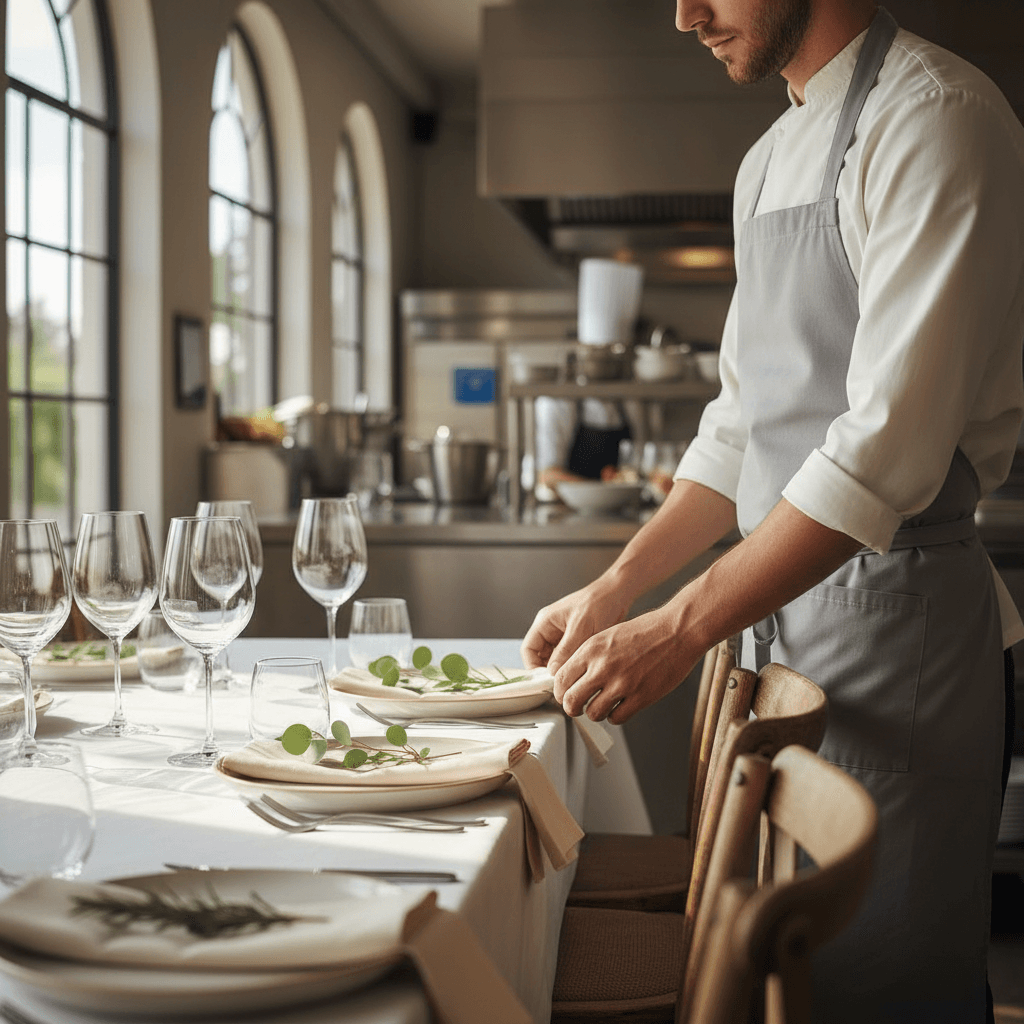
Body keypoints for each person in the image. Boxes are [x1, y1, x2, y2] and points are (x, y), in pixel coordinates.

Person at [521, 2, 1024, 1021]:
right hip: (776, 624)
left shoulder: (938, 117)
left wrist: (680, 623)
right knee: (789, 980)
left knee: (884, 978)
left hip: (899, 632)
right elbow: (737, 430)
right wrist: (618, 589)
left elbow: (883, 453)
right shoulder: (765, 163)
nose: (682, 15)